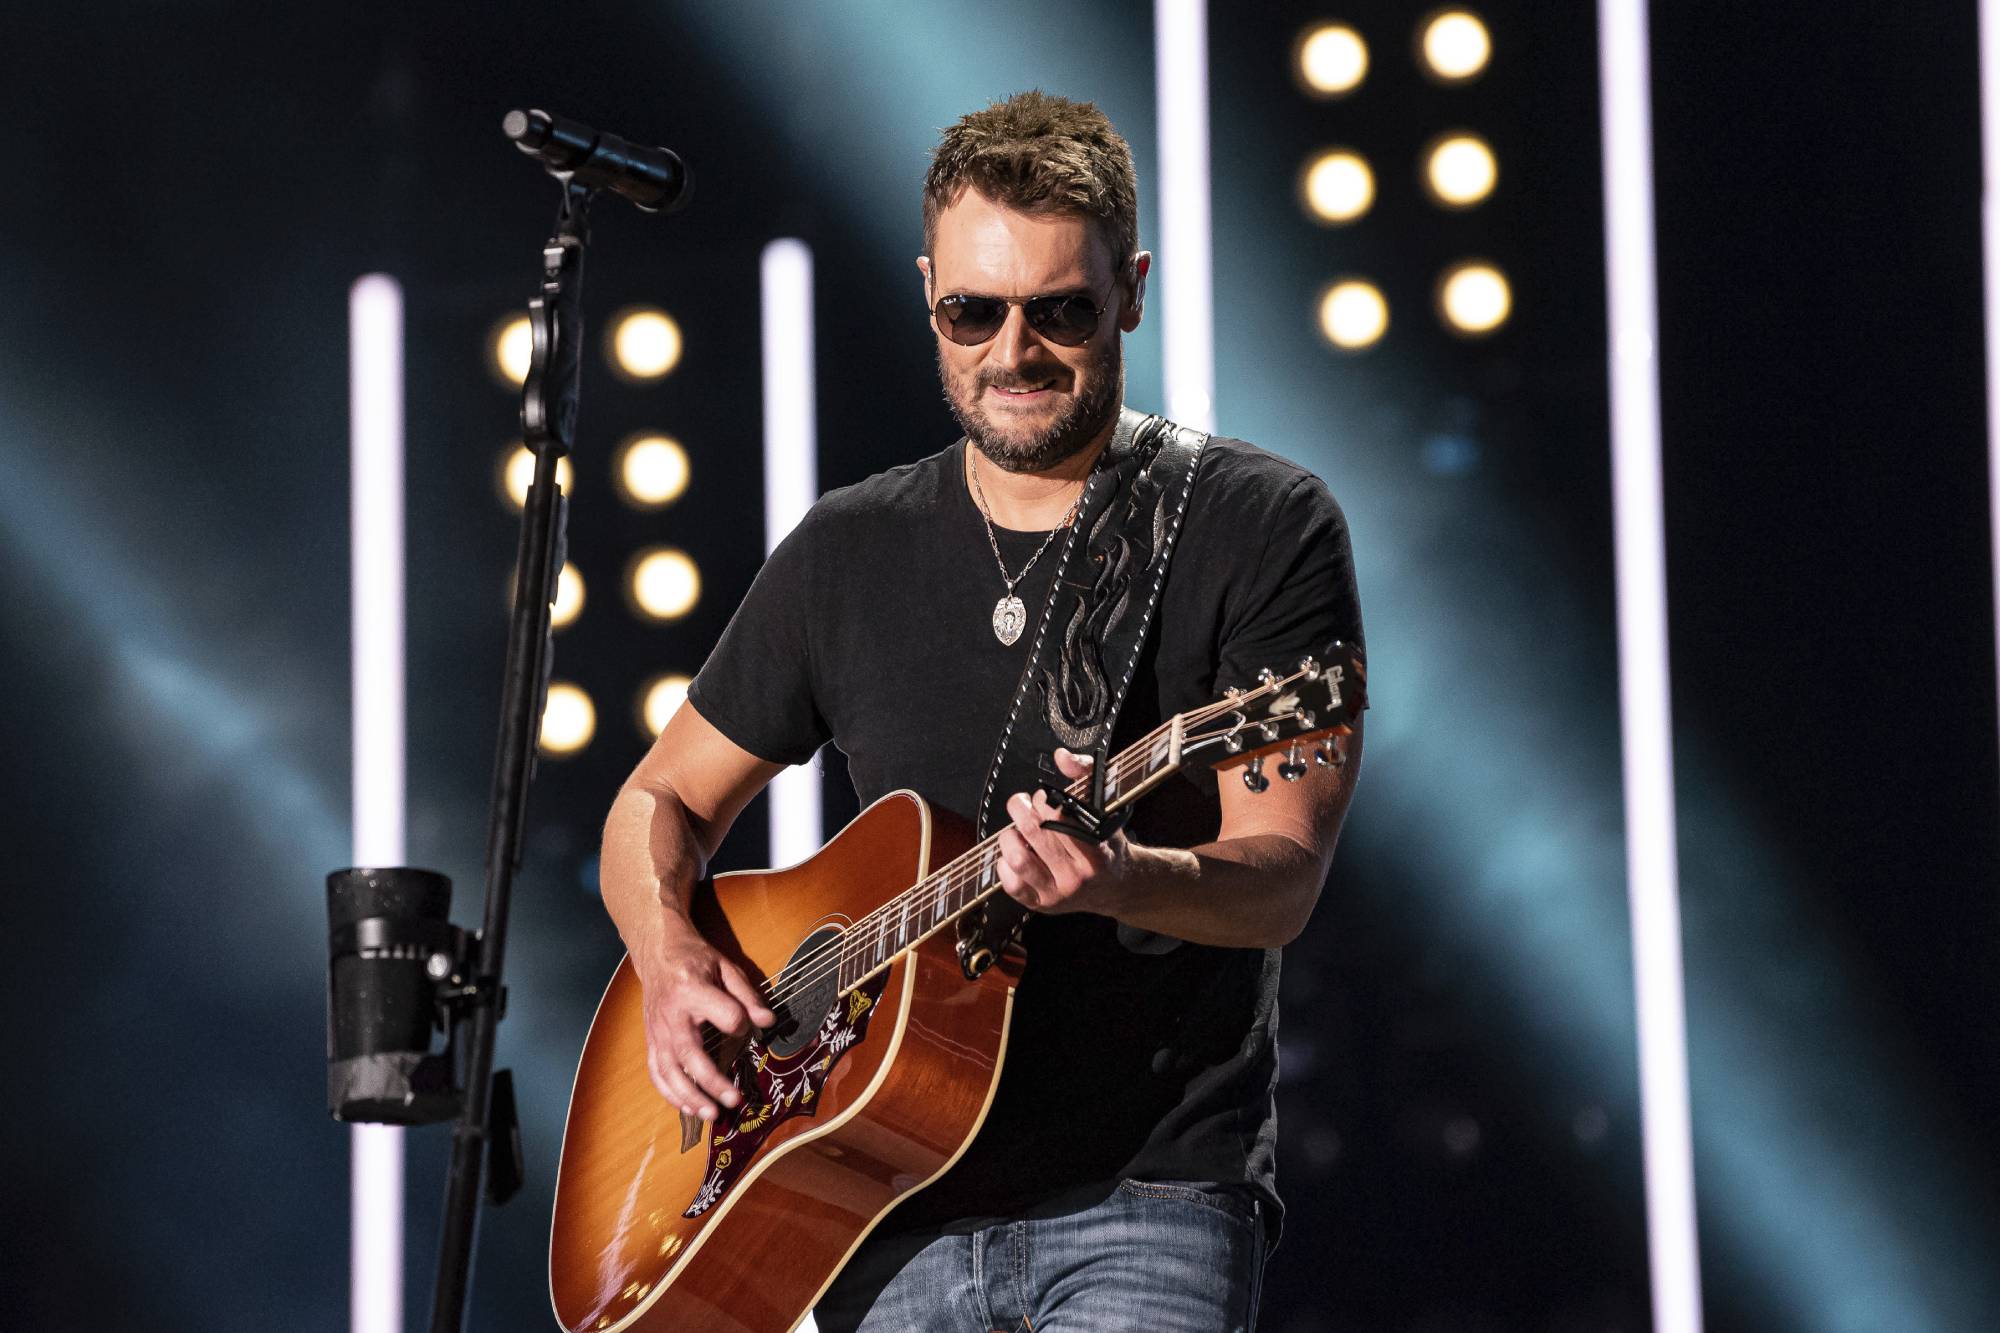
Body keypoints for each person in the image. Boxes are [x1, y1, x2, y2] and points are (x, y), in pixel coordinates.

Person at [597, 90, 1364, 1333]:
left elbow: (1280, 876)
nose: (1013, 353)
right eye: (973, 311)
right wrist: (670, 956)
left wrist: (1122, 878)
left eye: (1059, 309)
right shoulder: (846, 548)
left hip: (1144, 1194)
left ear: (1130, 290)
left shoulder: (1254, 525)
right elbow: (659, 797)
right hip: (870, 1199)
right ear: (927, 295)